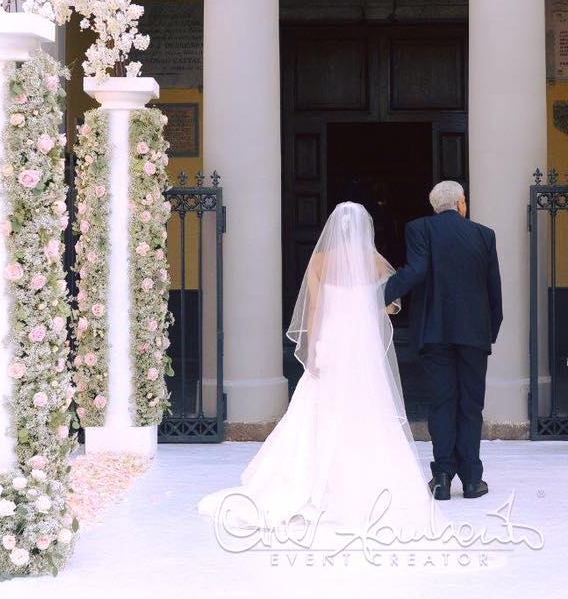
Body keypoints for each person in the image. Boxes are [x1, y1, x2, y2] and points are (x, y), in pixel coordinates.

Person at [198, 202, 434, 534]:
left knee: (318, 408)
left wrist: (312, 349)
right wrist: (375, 310)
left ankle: (312, 482)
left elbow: (314, 310)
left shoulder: (321, 261)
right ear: (365, 229)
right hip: (361, 348)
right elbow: (392, 303)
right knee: (366, 406)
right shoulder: (375, 261)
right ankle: (370, 483)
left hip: (333, 343)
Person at [384, 181, 502, 501]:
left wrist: (381, 293)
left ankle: (442, 478)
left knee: (442, 404)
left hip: (435, 334)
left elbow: (417, 270)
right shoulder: (484, 235)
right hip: (474, 337)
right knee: (470, 407)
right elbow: (494, 293)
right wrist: (488, 333)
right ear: (461, 204)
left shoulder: (419, 229)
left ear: (434, 205)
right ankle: (473, 480)